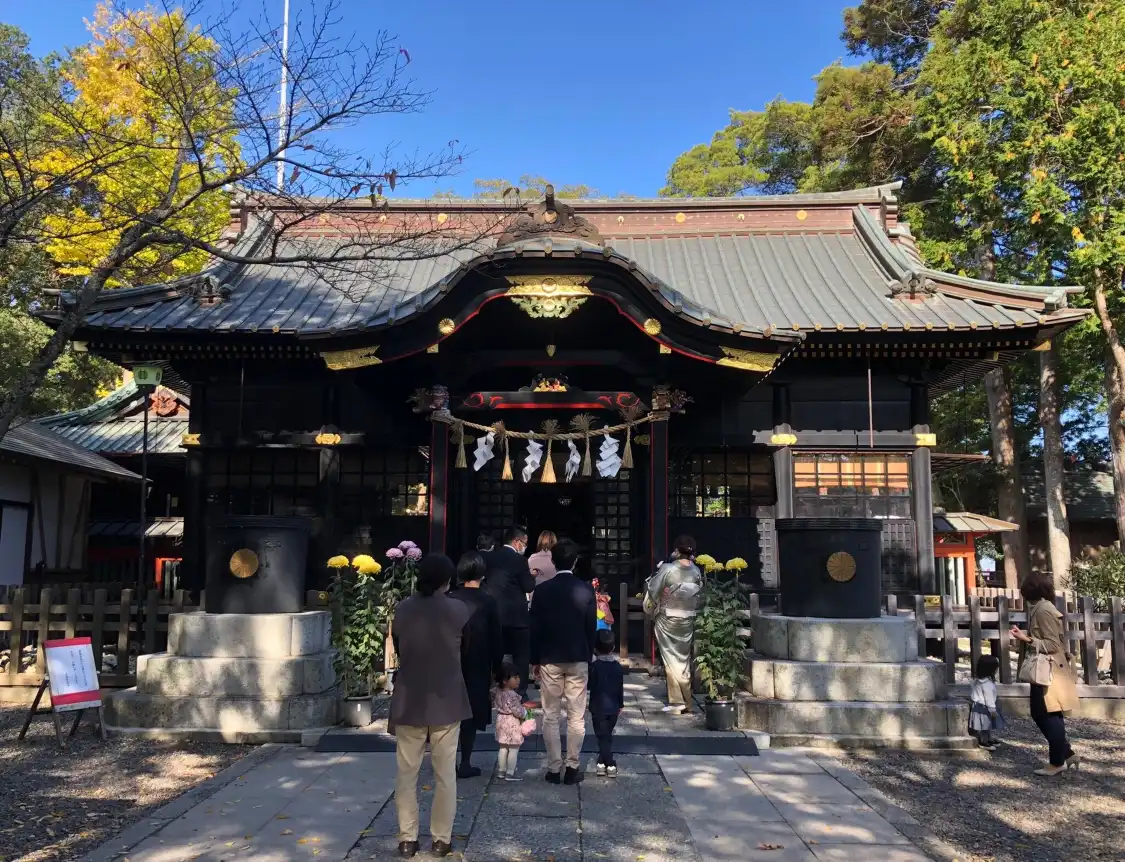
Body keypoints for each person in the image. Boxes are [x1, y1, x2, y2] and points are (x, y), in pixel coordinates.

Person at [389, 554, 471, 859]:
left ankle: (407, 838)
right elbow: (466, 646)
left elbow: (399, 647)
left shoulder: (403, 608)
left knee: (406, 772)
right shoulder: (458, 609)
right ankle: (441, 839)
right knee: (445, 773)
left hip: (410, 696)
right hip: (446, 696)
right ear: (447, 581)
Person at [529, 538, 597, 785]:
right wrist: (589, 654)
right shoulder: (586, 590)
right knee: (576, 715)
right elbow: (591, 627)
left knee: (550, 714)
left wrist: (534, 659)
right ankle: (572, 766)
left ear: (553, 561)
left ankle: (553, 767)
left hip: (550, 656)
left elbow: (535, 627)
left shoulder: (542, 590)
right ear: (575, 561)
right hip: (578, 655)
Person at [1010, 571, 1080, 776]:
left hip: (1047, 669)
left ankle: (1057, 762)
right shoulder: (1042, 608)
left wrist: (1026, 639)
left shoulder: (1043, 611)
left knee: (1045, 713)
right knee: (1049, 713)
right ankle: (1066, 753)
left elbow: (1052, 644)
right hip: (1048, 668)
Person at [448, 551, 503, 779]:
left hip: (451, 661)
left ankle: (447, 760)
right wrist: (497, 667)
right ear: (482, 573)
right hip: (478, 661)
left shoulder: (450, 599)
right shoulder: (488, 601)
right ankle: (466, 761)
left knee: (450, 713)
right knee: (470, 713)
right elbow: (496, 637)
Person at [643, 535, 703, 715]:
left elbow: (653, 590)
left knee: (671, 659)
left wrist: (653, 604)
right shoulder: (696, 571)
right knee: (683, 659)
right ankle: (686, 700)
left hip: (668, 618)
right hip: (687, 618)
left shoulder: (668, 569)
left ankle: (677, 702)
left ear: (676, 551)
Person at [483, 526, 536, 700]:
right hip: (517, 616)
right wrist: (532, 576)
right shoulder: (520, 560)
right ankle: (520, 692)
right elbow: (528, 586)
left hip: (496, 614)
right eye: (524, 543)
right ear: (516, 541)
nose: (525, 546)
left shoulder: (491, 557)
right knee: (521, 656)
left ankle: (495, 688)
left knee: (496, 655)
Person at [588, 628, 625, 777]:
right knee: (606, 735)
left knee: (602, 736)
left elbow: (589, 686)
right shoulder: (618, 667)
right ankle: (601, 763)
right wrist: (621, 704)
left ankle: (610, 763)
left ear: (595, 648)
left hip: (598, 707)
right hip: (613, 707)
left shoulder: (594, 667)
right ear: (613, 647)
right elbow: (620, 687)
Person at [492, 660, 532, 781]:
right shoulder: (512, 695)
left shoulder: (497, 691)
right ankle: (510, 772)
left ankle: (501, 770)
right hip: (512, 722)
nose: (518, 680)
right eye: (515, 678)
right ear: (505, 680)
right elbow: (517, 711)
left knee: (503, 747)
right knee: (514, 748)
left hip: (501, 720)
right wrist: (525, 713)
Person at [968, 655, 1005, 750]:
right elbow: (989, 699)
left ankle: (988, 738)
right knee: (985, 725)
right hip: (985, 707)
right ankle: (983, 741)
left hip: (978, 705)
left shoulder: (977, 680)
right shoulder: (987, 684)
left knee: (985, 725)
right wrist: (993, 710)